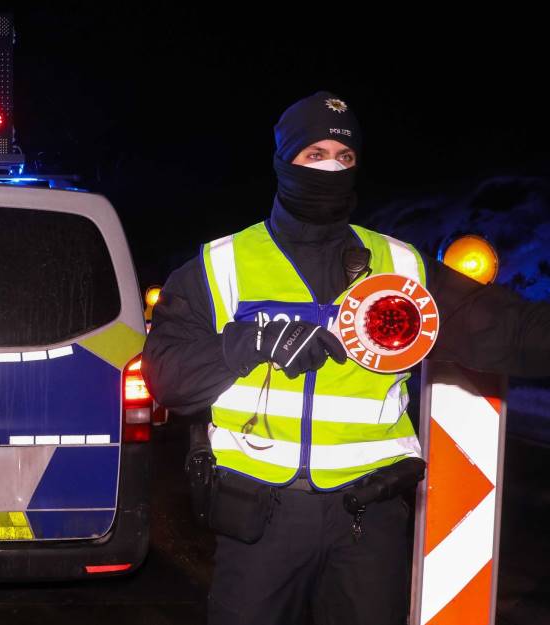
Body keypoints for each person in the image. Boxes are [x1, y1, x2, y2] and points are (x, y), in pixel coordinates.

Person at [142, 91, 550, 625]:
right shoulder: (221, 265)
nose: (331, 167)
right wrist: (250, 344)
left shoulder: (398, 264)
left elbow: (510, 330)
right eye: (315, 154)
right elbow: (164, 375)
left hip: (368, 521)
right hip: (260, 520)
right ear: (283, 161)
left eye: (345, 157)